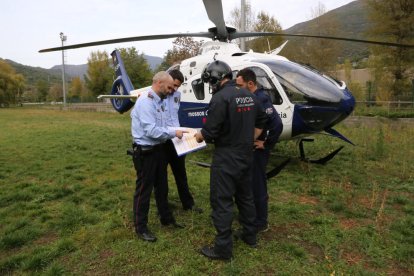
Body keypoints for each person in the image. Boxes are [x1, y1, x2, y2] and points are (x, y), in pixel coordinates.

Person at [194, 60, 267, 260]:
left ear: (216, 78)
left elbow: (209, 132)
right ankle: (250, 236)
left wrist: (196, 137)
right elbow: (262, 119)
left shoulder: (220, 98)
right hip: (246, 154)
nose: (211, 87)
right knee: (245, 197)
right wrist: (250, 138)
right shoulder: (249, 96)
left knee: (222, 201)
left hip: (226, 157)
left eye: (211, 82)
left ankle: (223, 249)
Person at [131, 71, 187, 242]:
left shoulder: (159, 101)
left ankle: (166, 218)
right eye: (169, 87)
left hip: (158, 150)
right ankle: (141, 227)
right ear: (159, 83)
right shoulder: (145, 102)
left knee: (162, 186)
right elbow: (152, 131)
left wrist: (176, 131)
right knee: (144, 191)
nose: (171, 91)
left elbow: (163, 125)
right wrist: (174, 133)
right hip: (146, 152)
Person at [236, 68, 283, 233]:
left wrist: (266, 144)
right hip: (250, 150)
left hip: (258, 150)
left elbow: (277, 124)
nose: (238, 89)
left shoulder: (261, 98)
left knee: (258, 185)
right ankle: (251, 215)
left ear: (250, 83)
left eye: (240, 85)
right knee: (249, 184)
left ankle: (261, 222)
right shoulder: (249, 97)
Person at [164, 69, 203, 213]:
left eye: (177, 87)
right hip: (162, 140)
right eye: (173, 85)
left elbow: (174, 117)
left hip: (176, 139)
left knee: (181, 173)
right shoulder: (157, 95)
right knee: (161, 176)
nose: (174, 89)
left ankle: (188, 204)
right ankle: (164, 205)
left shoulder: (177, 96)